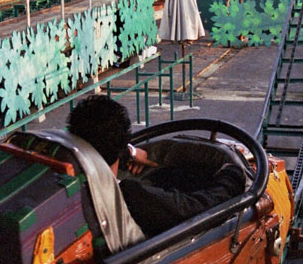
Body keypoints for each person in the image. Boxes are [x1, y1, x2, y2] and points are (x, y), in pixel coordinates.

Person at [67, 95, 247, 238]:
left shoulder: (71, 177)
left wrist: (129, 152)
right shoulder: (131, 195)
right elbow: (197, 209)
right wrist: (232, 174)